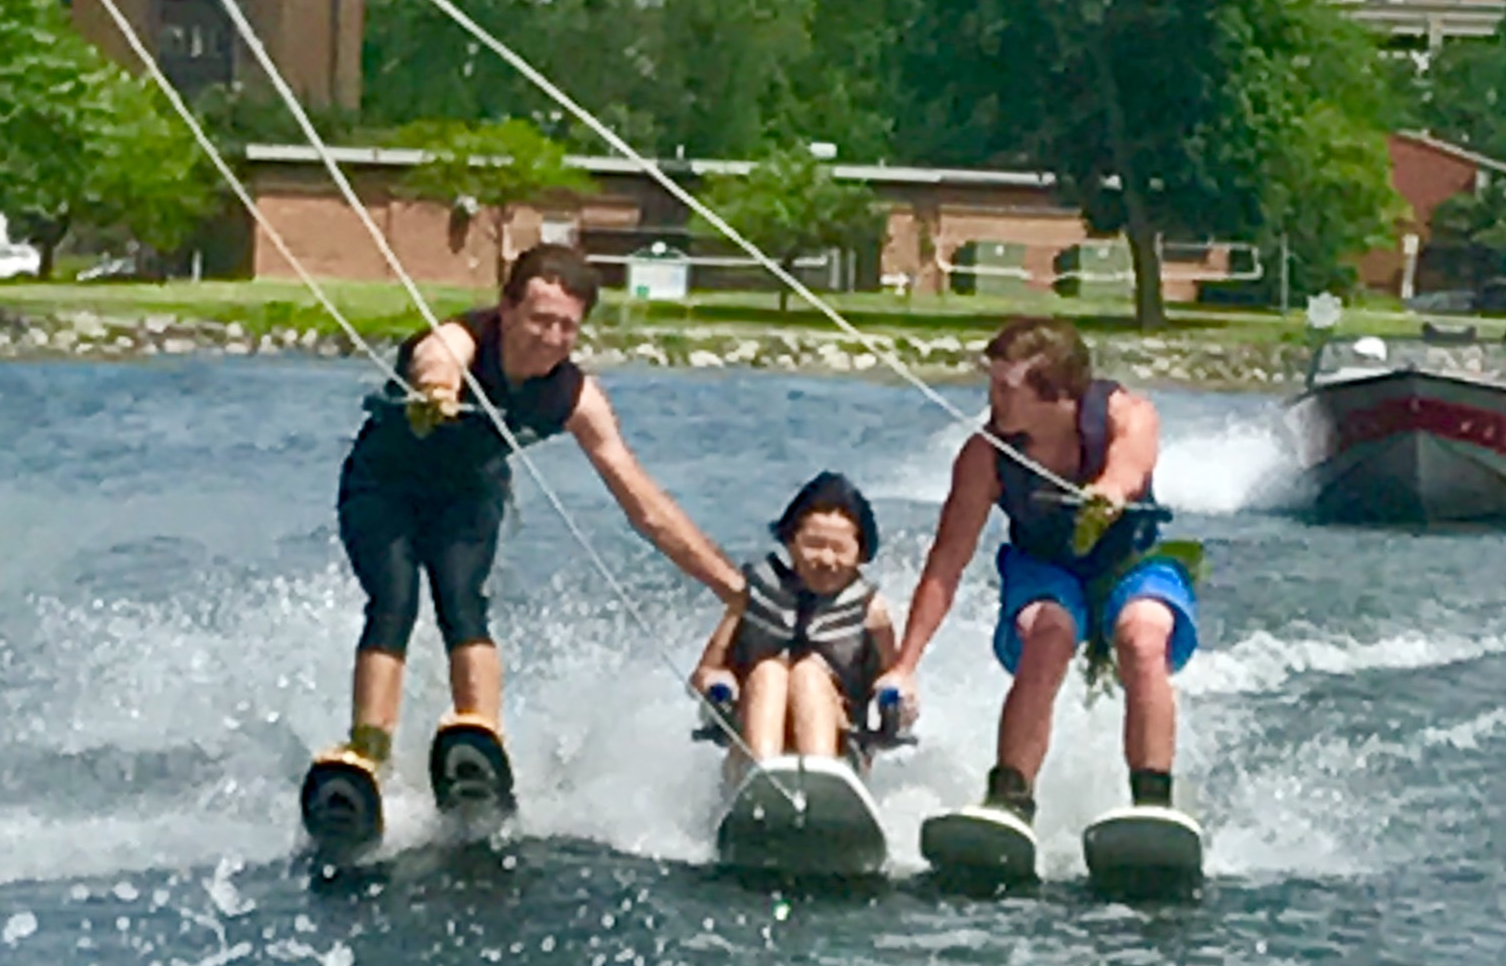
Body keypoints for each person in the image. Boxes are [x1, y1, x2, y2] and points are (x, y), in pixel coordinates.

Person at [316, 243, 741, 804]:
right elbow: (436, 358)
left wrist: (728, 585)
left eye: (567, 327)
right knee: (395, 600)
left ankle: (479, 740)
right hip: (382, 490)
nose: (551, 337)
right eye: (540, 319)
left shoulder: (574, 395)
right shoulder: (464, 338)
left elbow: (645, 505)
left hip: (468, 496)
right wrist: (438, 391)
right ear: (508, 308)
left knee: (463, 602)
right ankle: (369, 751)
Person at [874, 315, 1197, 819]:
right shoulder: (985, 456)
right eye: (991, 384)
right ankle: (1010, 797)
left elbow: (1130, 464)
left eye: (1006, 389)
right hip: (1044, 569)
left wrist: (1109, 492)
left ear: (1059, 394)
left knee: (1143, 635)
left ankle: (1153, 801)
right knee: (1047, 635)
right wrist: (904, 665)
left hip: (1130, 561)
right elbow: (947, 561)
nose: (992, 400)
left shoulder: (1127, 414)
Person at [691, 471, 897, 765]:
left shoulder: (871, 611)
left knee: (808, 675)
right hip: (751, 730)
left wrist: (896, 698)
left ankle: (821, 773)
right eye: (813, 544)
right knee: (769, 673)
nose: (826, 559)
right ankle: (761, 769)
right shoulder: (752, 596)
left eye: (839, 549)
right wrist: (717, 682)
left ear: (861, 553)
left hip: (840, 738)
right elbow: (705, 672)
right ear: (790, 541)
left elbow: (895, 678)